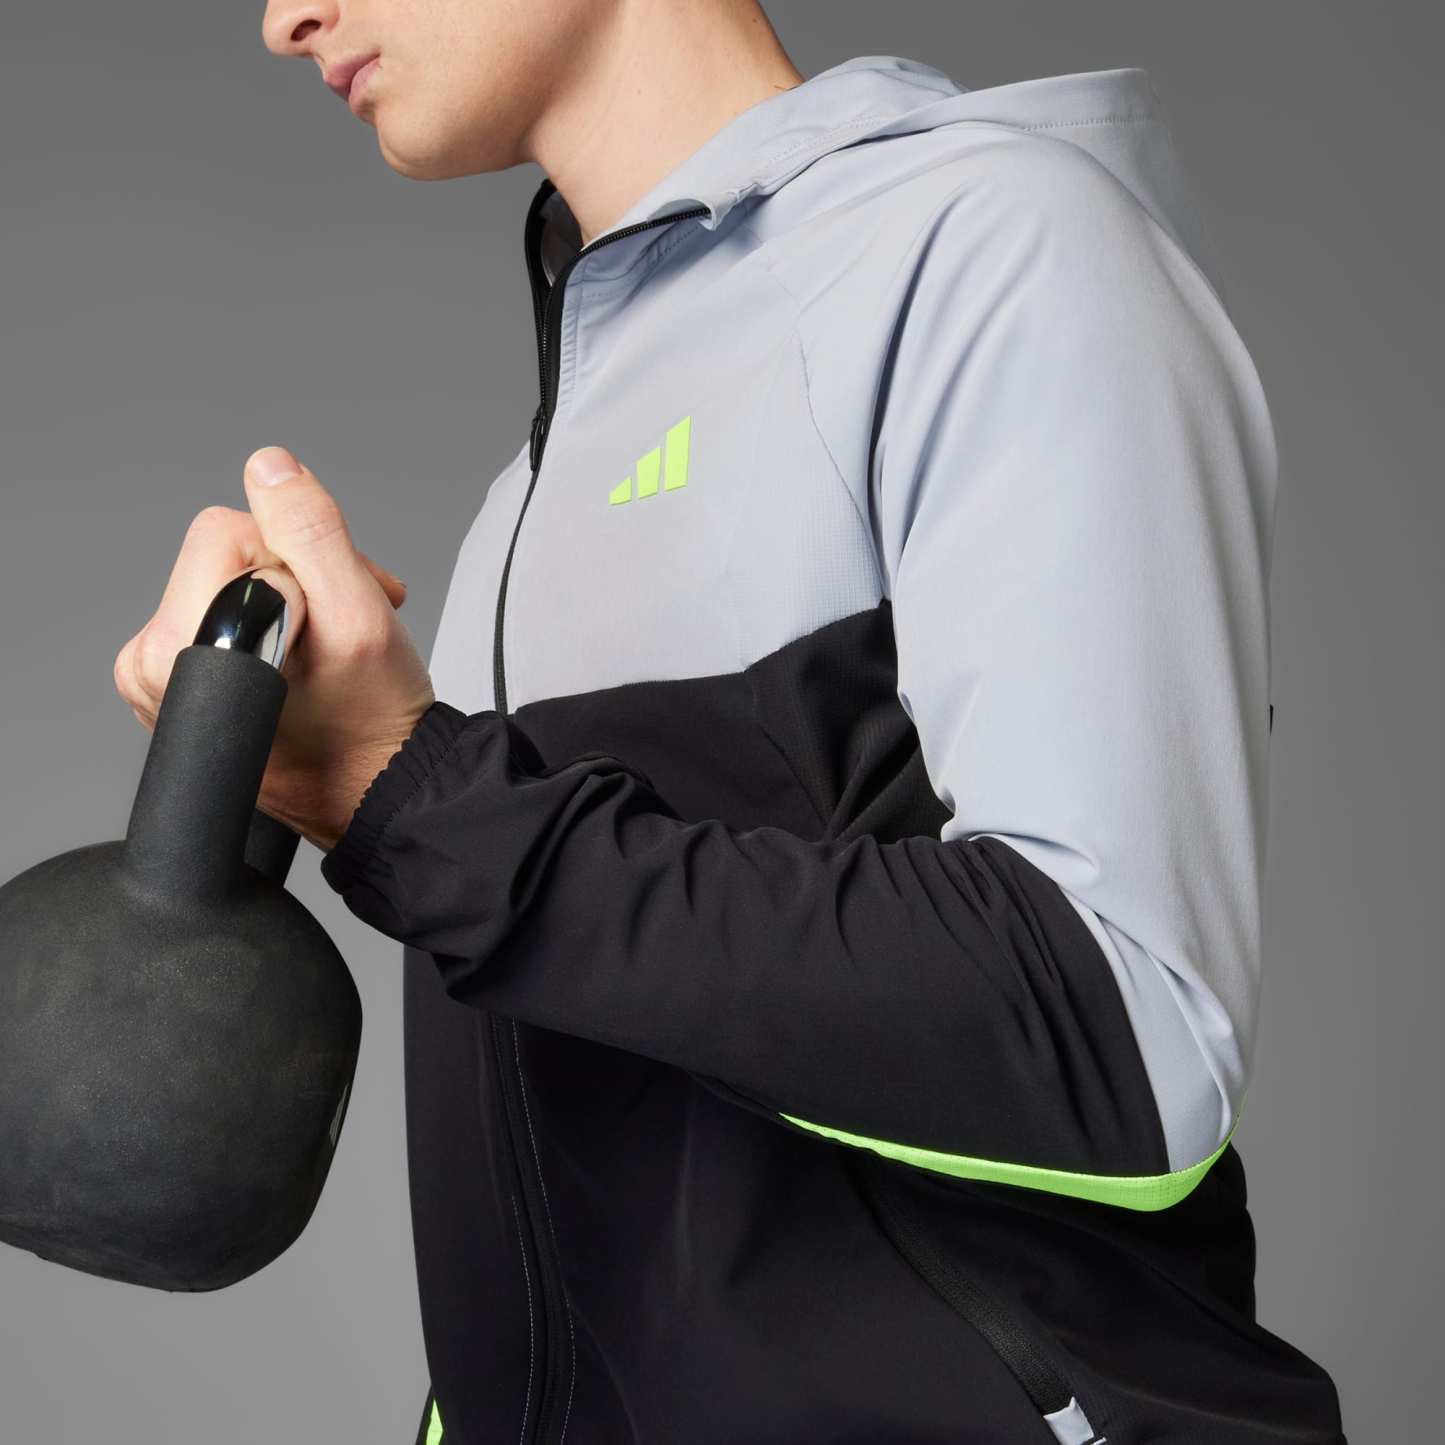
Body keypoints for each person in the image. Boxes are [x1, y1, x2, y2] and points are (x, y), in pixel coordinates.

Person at [112, 2, 1349, 1441]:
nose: (284, 19)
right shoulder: (527, 494)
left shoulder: (991, 247)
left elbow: (1127, 1036)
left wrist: (416, 800)